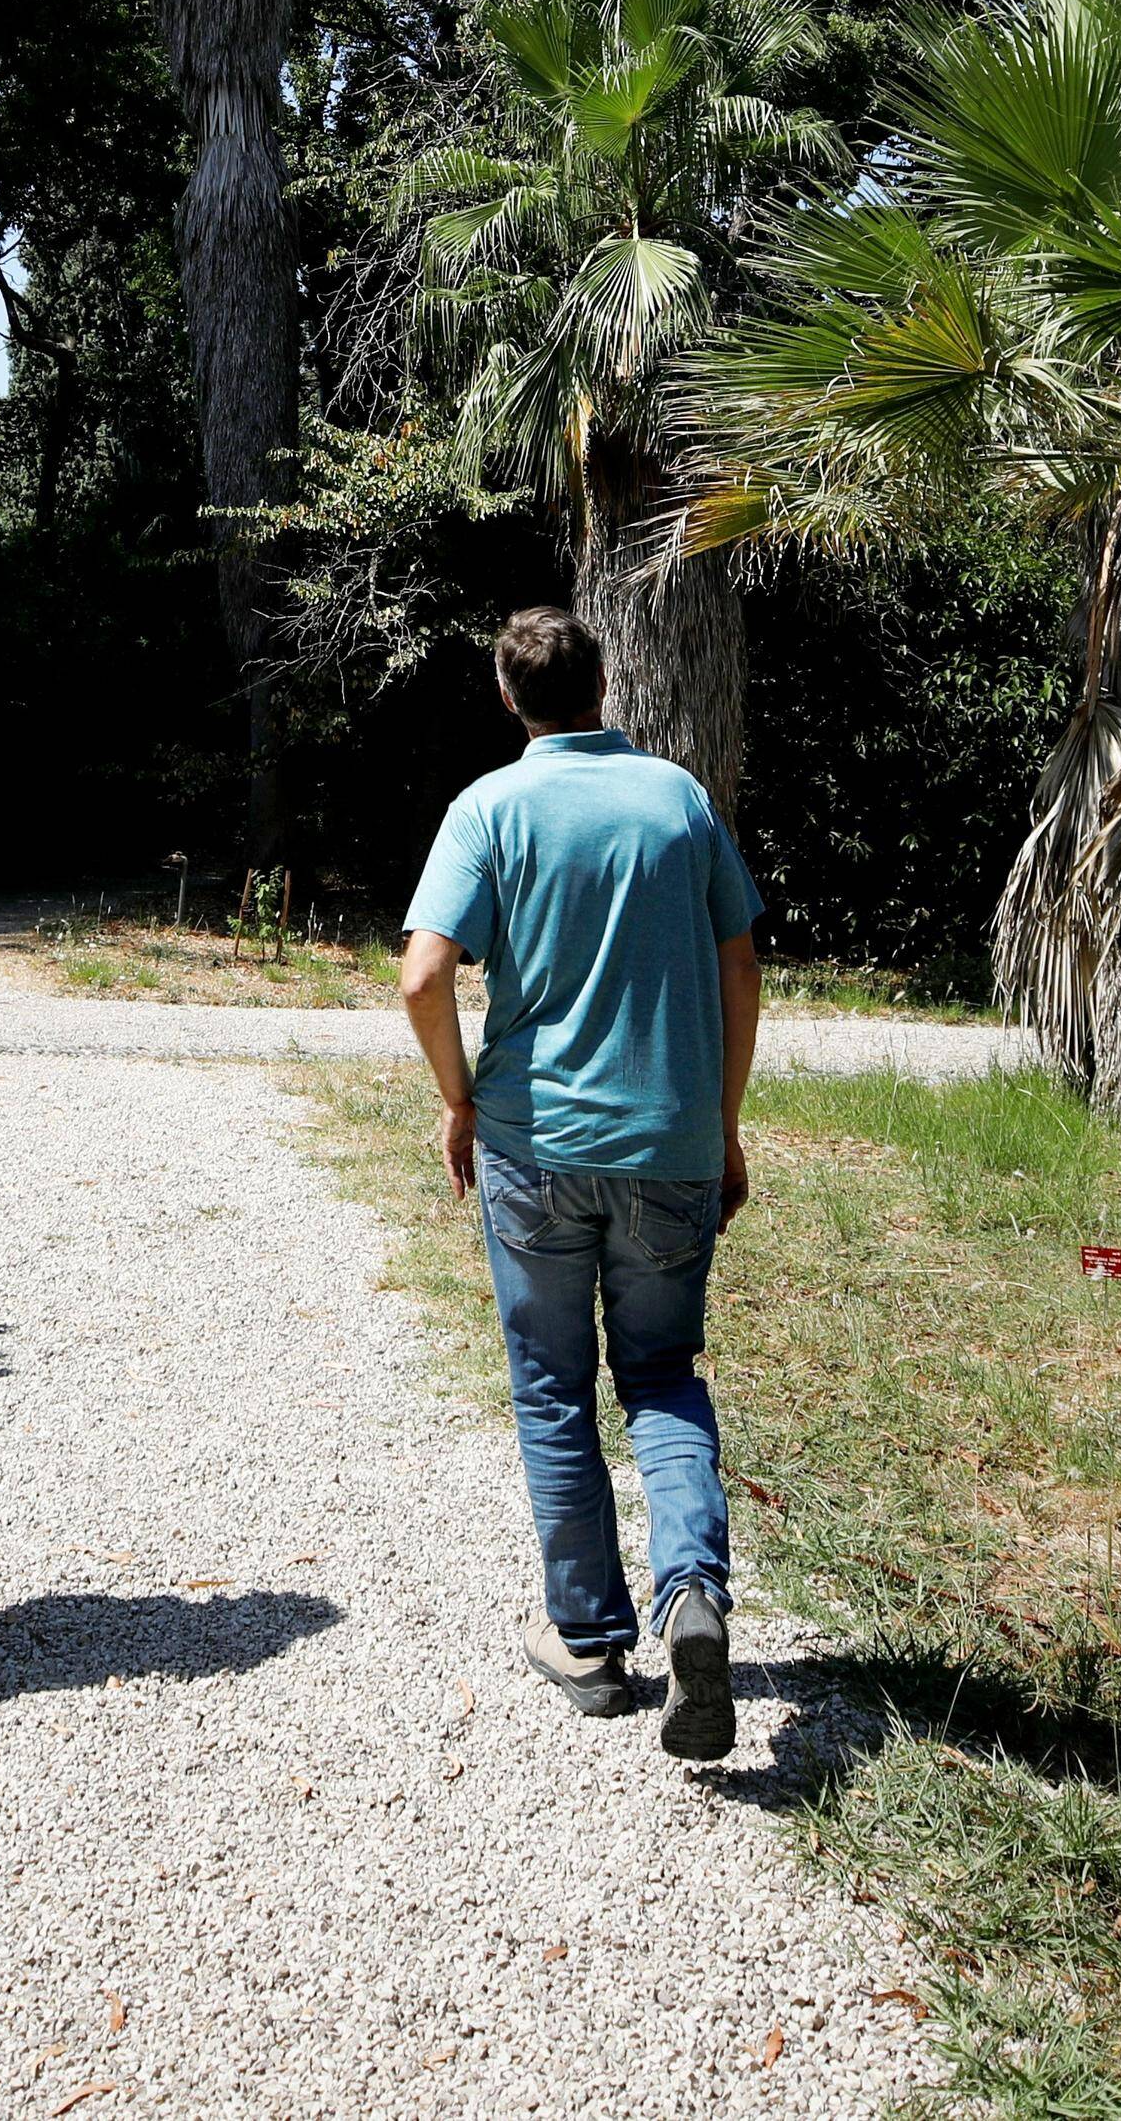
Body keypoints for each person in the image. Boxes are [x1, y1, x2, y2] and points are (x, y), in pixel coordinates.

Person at [393, 605, 764, 1762]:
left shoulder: (486, 810)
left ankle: (590, 1644)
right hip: (668, 1150)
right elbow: (738, 962)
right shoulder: (676, 801)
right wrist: (722, 1123)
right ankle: (691, 1593)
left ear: (510, 699)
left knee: (551, 1385)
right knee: (659, 1371)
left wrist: (459, 1103)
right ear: (603, 683)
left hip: (532, 1147)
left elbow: (420, 978)